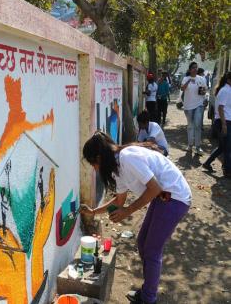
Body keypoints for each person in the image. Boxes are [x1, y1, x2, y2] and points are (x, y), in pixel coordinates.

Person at [80, 131, 191, 304]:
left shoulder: (127, 157)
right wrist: (93, 211)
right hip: (163, 198)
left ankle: (148, 298)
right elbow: (118, 201)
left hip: (175, 198)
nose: (94, 168)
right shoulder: (117, 168)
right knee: (143, 243)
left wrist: (127, 211)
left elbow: (154, 188)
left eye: (93, 163)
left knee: (152, 250)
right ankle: (148, 290)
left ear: (99, 157)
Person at [203, 72, 231, 178]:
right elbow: (220, 108)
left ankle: (208, 163)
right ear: (229, 80)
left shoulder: (226, 89)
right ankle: (227, 170)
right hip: (224, 122)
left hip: (224, 121)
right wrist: (224, 125)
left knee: (222, 147)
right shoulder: (226, 90)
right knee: (227, 148)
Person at [181, 62, 207, 155]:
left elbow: (204, 90)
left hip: (199, 105)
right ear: (190, 69)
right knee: (190, 126)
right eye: (193, 68)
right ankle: (190, 145)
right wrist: (189, 81)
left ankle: (198, 147)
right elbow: (182, 89)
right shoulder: (185, 78)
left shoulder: (201, 79)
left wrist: (203, 92)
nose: (195, 69)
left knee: (197, 125)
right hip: (188, 106)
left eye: (196, 67)